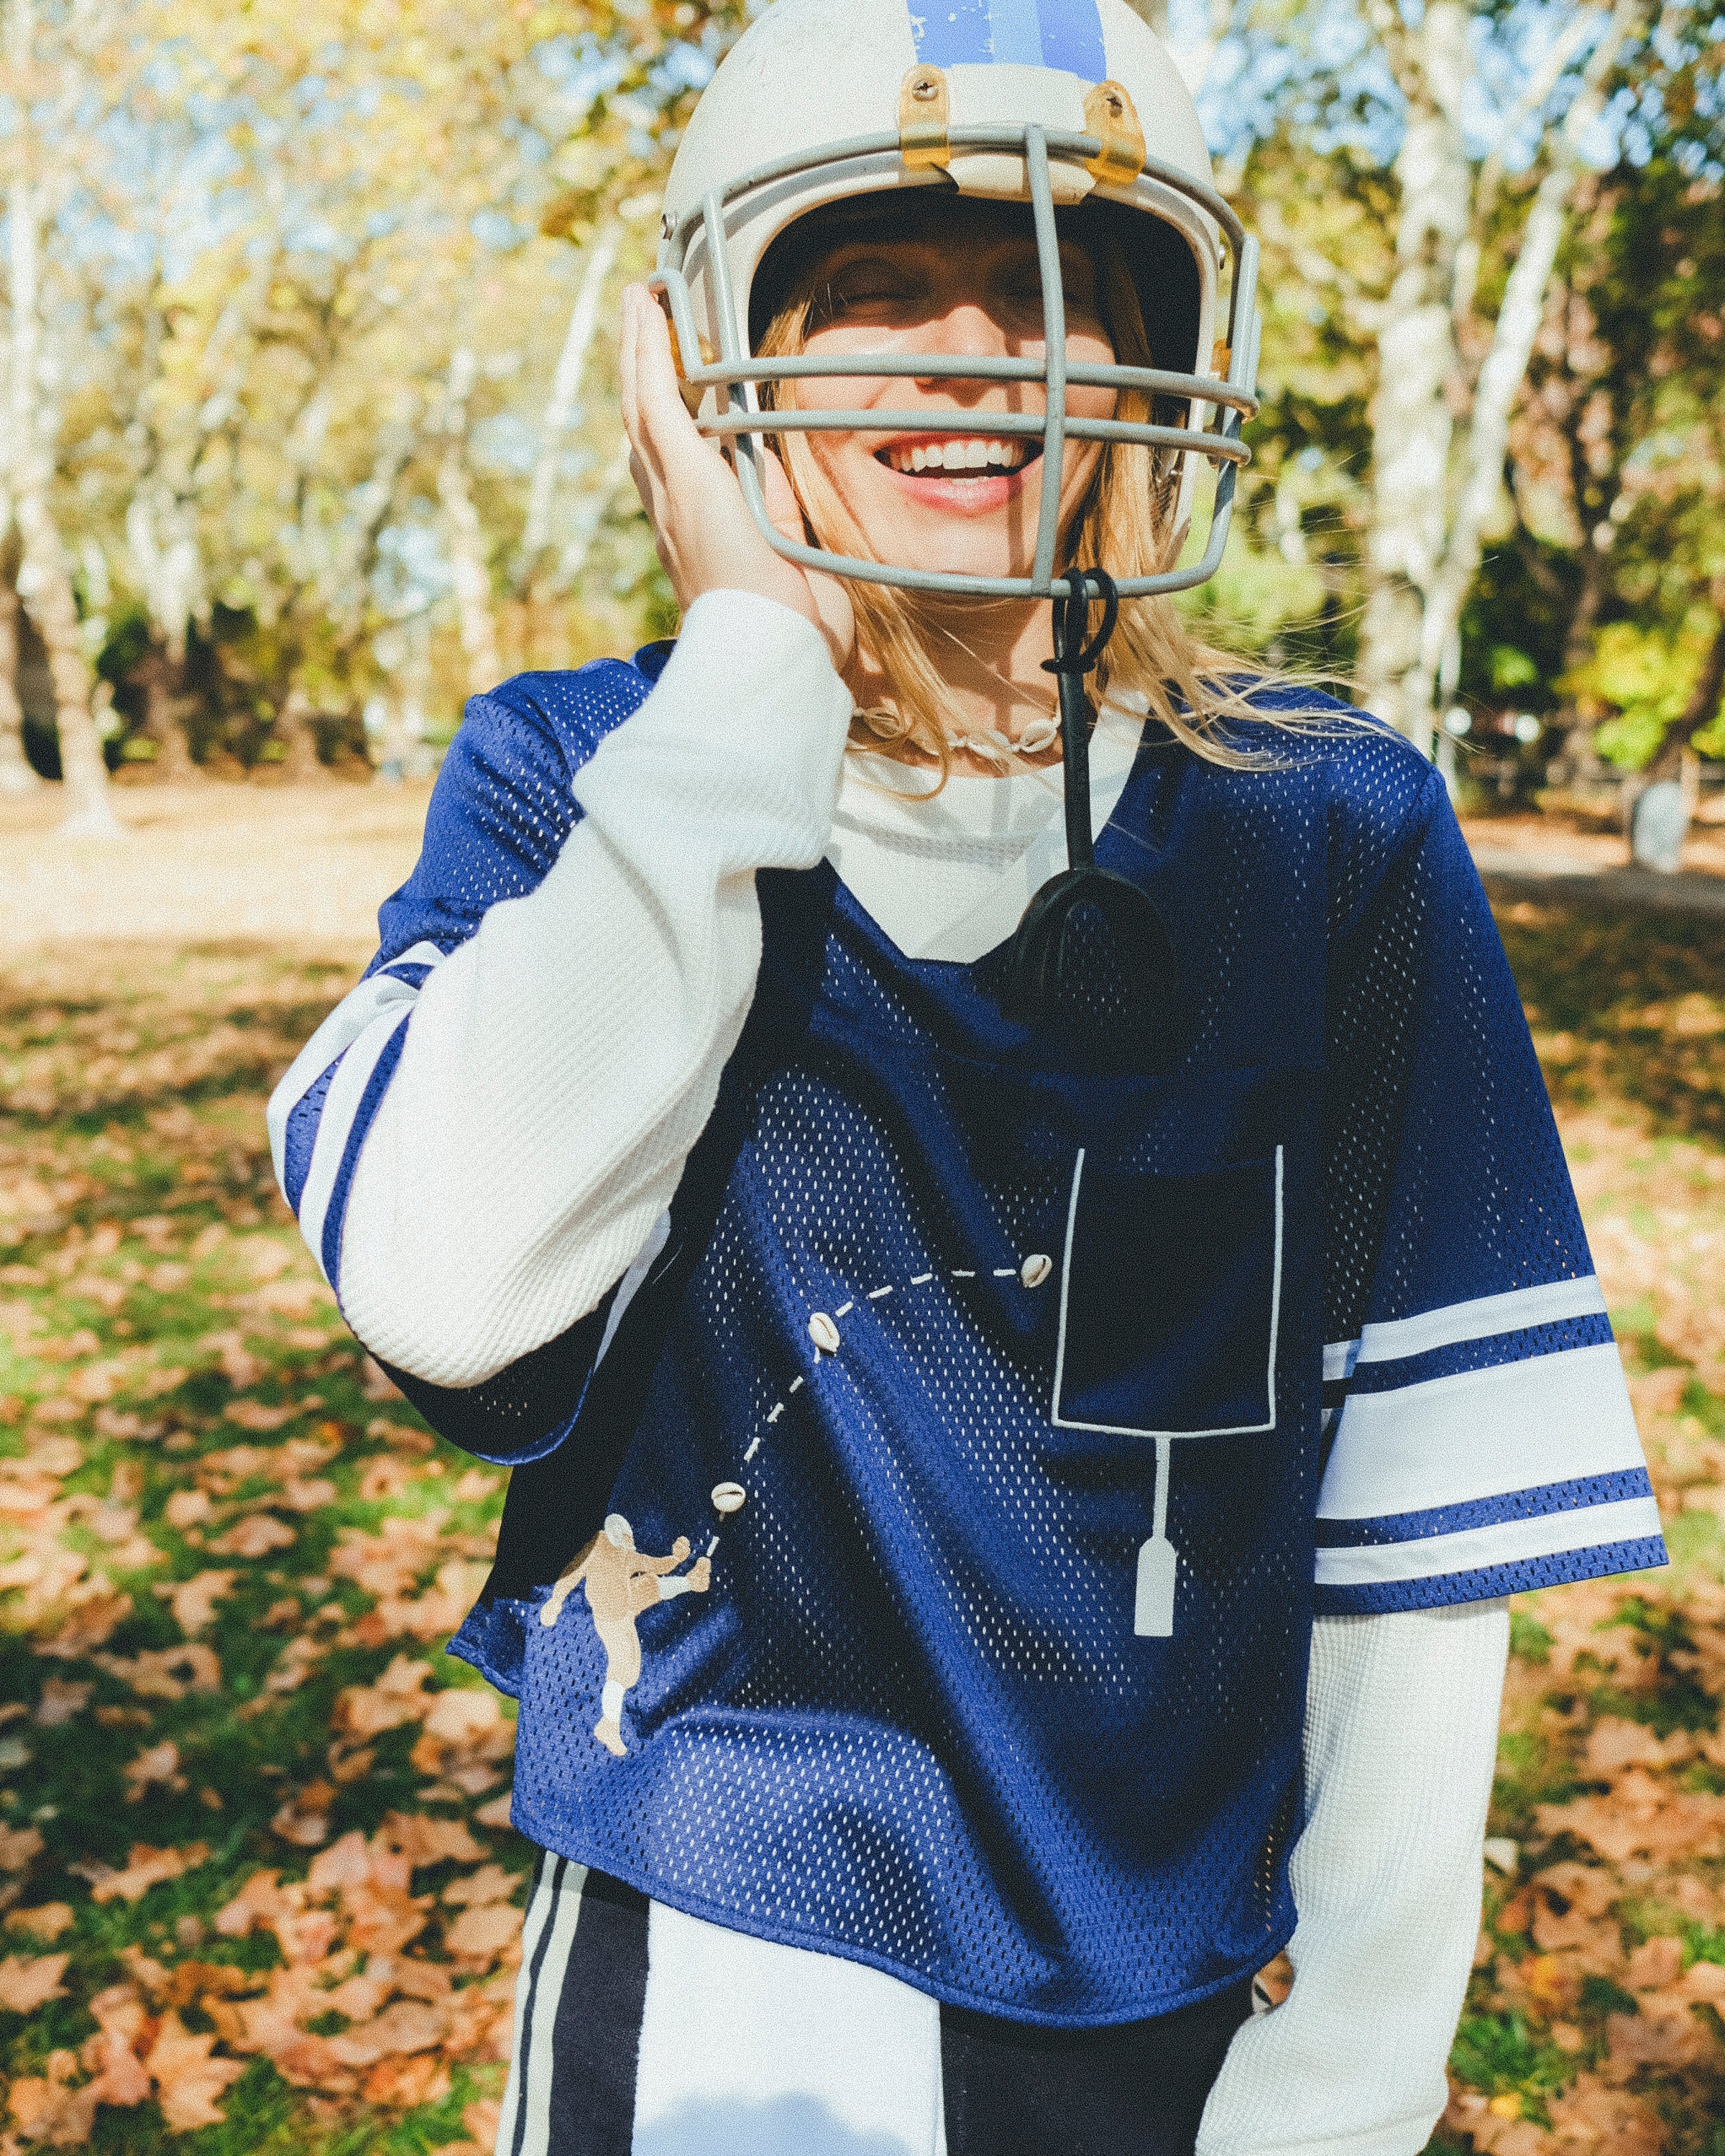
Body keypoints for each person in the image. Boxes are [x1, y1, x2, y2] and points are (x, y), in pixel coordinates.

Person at [267, 4, 1665, 2150]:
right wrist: (749, 681)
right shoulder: (582, 776)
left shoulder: (1326, 829)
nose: (974, 355)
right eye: (875, 287)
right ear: (703, 359)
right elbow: (449, 1285)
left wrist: (1356, 2071)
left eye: (1055, 295)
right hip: (728, 1928)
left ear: (1149, 364)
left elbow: (1420, 1529)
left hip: (1194, 1968)